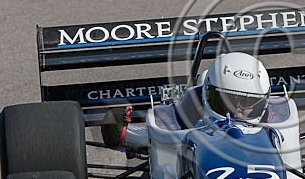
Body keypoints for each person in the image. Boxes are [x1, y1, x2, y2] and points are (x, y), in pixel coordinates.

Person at [101, 52, 270, 153]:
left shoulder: (274, 122)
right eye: (229, 99)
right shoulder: (180, 120)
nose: (237, 107)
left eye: (248, 101)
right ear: (209, 95)